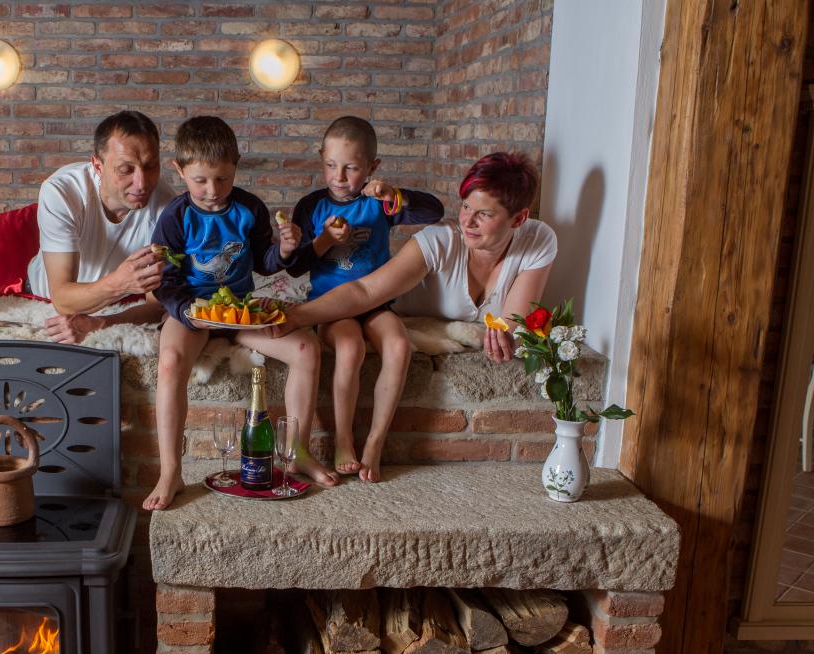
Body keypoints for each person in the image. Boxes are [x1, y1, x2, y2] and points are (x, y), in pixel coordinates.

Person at [144, 116, 339, 511]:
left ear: (236, 166)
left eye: (223, 179)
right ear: (179, 170)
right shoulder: (175, 216)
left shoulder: (249, 207)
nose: (213, 191)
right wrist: (184, 311)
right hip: (194, 311)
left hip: (239, 311)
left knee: (306, 349)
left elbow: (265, 262)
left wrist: (285, 249)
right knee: (170, 360)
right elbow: (163, 280)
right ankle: (171, 471)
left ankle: (297, 452)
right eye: (200, 180)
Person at [273, 151, 556, 366]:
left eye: (484, 214)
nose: (468, 221)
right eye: (466, 206)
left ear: (518, 219)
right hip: (391, 313)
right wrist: (296, 316)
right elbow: (365, 291)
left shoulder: (538, 241)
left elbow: (512, 326)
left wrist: (506, 337)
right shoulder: (442, 239)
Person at [284, 116, 444, 481]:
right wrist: (324, 241)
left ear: (372, 167)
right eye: (330, 165)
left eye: (351, 168)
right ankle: (344, 439)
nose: (339, 177)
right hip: (332, 306)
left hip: (375, 304)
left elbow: (434, 211)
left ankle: (375, 440)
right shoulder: (311, 206)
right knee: (350, 346)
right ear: (321, 158)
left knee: (399, 346)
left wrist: (395, 195)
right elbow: (295, 268)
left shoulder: (378, 202)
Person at [24, 110, 174, 344]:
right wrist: (120, 282)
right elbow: (62, 299)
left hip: (119, 301)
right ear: (97, 165)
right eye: (126, 169)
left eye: (150, 166)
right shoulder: (62, 191)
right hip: (43, 297)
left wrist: (102, 323)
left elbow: (156, 306)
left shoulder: (166, 206)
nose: (142, 183)